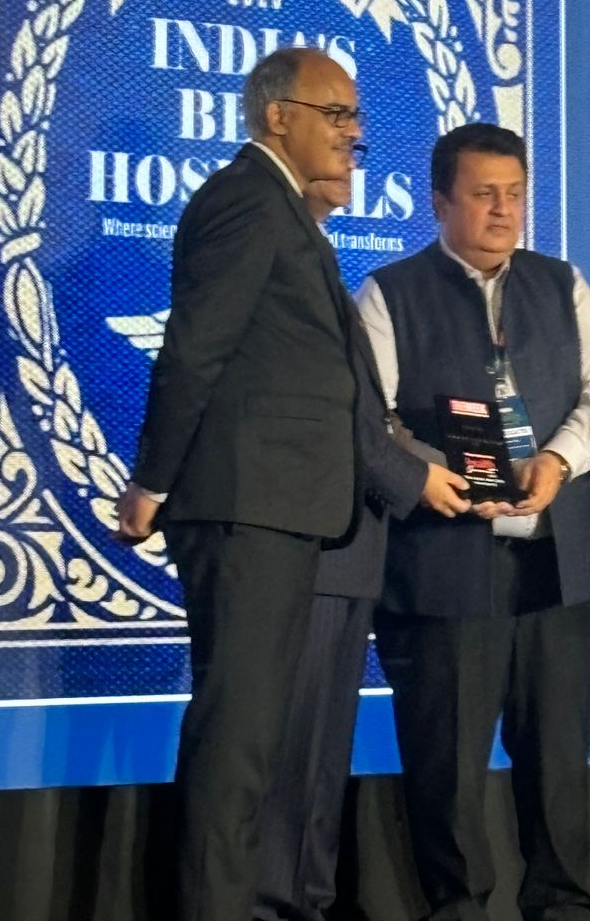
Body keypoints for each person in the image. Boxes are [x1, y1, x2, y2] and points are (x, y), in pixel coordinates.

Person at [115, 47, 464, 921]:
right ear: (278, 115)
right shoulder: (244, 200)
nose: (353, 134)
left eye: (355, 119)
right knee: (236, 745)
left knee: (255, 746)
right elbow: (196, 348)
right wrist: (152, 480)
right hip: (244, 510)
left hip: (282, 512)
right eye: (336, 113)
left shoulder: (288, 212)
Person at [358, 122, 590, 921]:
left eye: (514, 195)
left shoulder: (561, 283)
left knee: (557, 771)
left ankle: (562, 911)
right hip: (442, 568)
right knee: (446, 776)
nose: (503, 210)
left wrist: (559, 461)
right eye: (483, 195)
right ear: (440, 200)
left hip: (555, 569)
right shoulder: (389, 294)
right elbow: (366, 419)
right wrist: (423, 475)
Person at [254, 172, 469, 921]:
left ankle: (303, 902)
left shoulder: (322, 264)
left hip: (352, 556)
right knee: (293, 764)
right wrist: (417, 479)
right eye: (337, 125)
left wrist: (425, 471)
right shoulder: (278, 262)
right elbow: (343, 419)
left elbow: (365, 417)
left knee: (321, 767)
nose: (350, 154)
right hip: (309, 551)